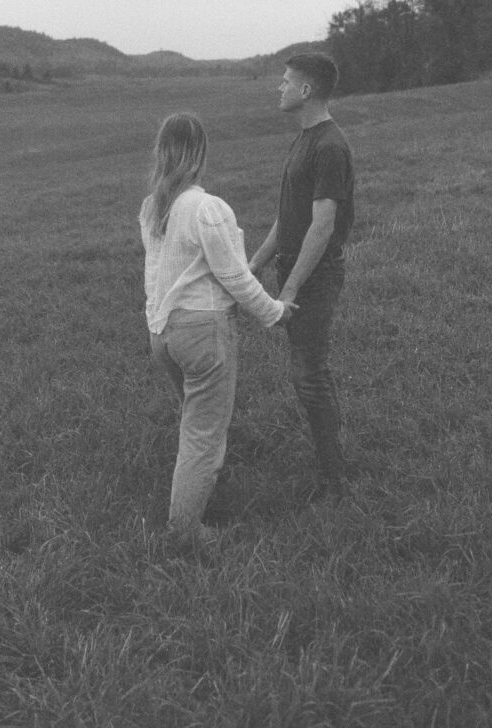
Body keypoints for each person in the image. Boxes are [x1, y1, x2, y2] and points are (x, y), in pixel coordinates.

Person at [139, 112, 297, 548]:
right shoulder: (207, 207)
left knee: (196, 418)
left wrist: (157, 323)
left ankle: (200, 486)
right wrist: (276, 311)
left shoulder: (154, 206)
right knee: (202, 434)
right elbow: (236, 277)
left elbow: (154, 275)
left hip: (163, 333)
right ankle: (186, 531)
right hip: (204, 332)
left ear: (162, 152)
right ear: (200, 153)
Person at [249, 52, 355, 504]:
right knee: (306, 372)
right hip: (294, 270)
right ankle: (331, 464)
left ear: (306, 91)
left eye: (287, 81)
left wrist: (290, 287)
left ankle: (334, 480)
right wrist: (254, 266)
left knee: (310, 374)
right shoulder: (305, 139)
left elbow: (323, 225)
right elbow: (287, 216)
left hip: (315, 275)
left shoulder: (330, 145)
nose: (280, 87)